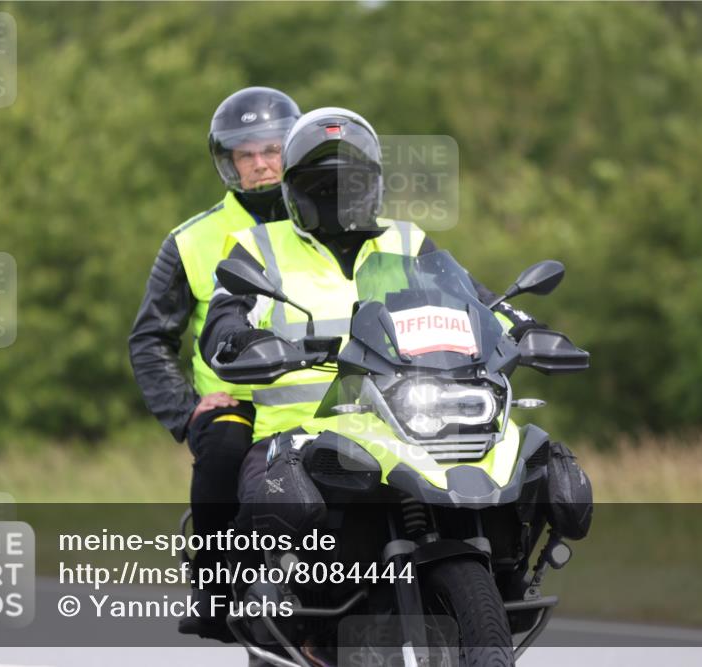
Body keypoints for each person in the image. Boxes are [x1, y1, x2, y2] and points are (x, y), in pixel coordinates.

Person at [200, 107, 538, 511]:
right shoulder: (258, 246)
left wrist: (527, 328)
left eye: (350, 184)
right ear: (294, 192)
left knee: (519, 477)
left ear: (374, 186)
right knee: (268, 515)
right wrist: (240, 340)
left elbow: (479, 302)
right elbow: (225, 317)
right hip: (298, 433)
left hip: (407, 429)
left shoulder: (407, 240)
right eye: (321, 186)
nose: (337, 196)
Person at [127, 86, 300, 639]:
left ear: (291, 150)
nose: (260, 165)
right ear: (228, 163)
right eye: (245, 155)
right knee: (223, 442)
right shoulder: (191, 241)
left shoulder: (331, 222)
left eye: (271, 150)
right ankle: (215, 585)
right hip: (239, 407)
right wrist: (186, 411)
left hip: (331, 400)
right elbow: (150, 339)